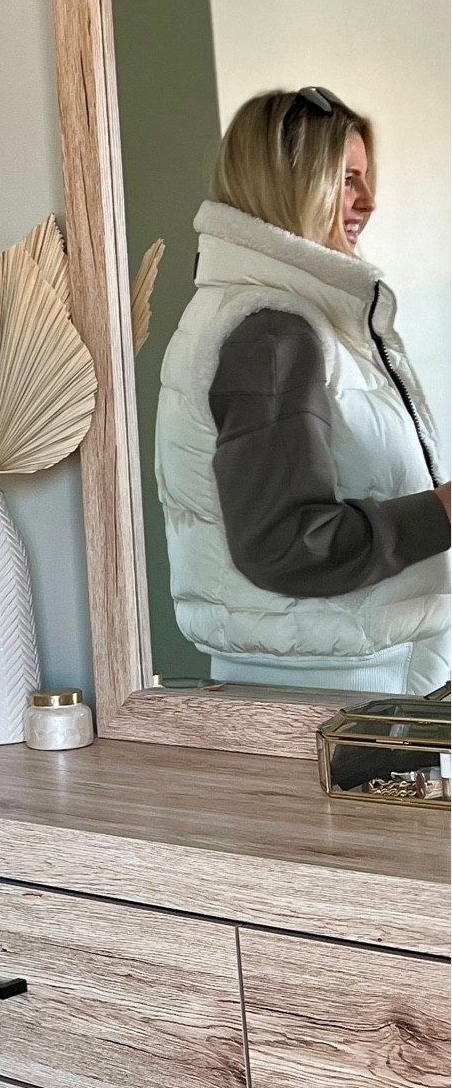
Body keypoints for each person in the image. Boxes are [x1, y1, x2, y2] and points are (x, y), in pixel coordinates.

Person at [154, 85, 450, 692]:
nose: (369, 201)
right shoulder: (272, 333)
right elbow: (287, 545)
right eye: (346, 179)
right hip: (326, 697)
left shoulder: (295, 321)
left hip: (340, 674)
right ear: (287, 184)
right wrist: (444, 512)